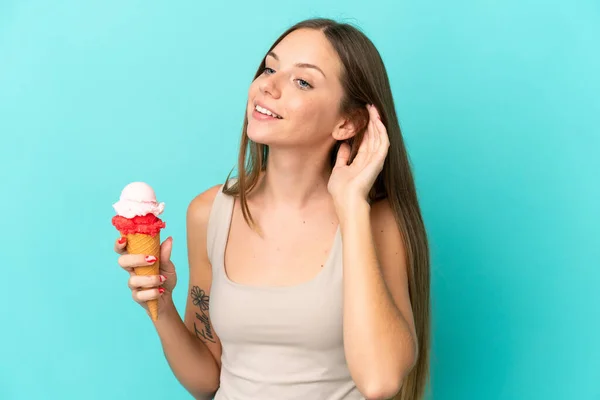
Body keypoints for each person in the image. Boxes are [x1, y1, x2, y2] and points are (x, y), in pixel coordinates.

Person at [114, 18, 430, 400]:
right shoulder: (209, 213)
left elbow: (380, 382)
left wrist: (350, 206)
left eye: (302, 81)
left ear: (348, 122)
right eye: (269, 67)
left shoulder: (377, 222)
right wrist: (160, 305)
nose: (268, 85)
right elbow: (206, 381)